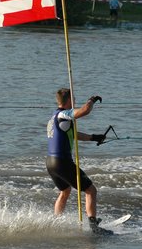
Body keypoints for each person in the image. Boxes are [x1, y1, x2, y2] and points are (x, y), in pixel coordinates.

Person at [46, 88, 111, 235]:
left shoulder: (54, 117)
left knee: (65, 191)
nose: (75, 101)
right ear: (68, 100)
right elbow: (84, 111)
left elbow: (73, 134)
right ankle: (94, 227)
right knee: (91, 190)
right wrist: (91, 100)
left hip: (51, 162)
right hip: (62, 162)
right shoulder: (64, 115)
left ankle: (56, 223)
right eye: (73, 98)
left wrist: (94, 137)